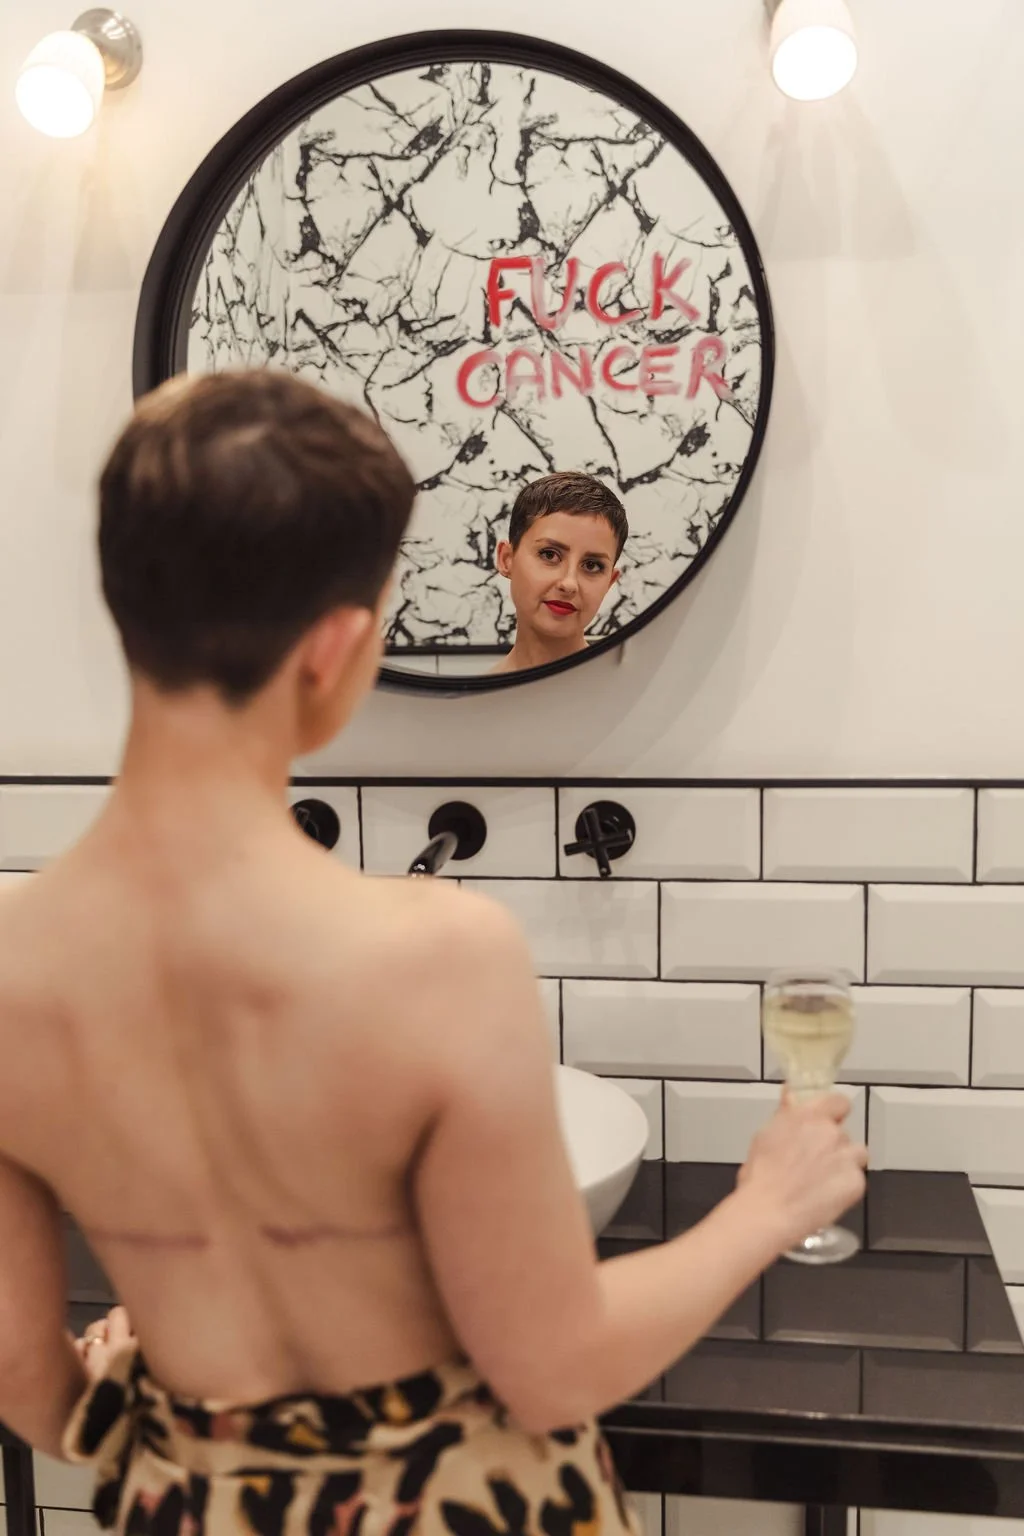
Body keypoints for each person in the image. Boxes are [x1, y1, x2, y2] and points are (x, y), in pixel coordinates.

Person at [0, 370, 867, 1536]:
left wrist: (191, 1438)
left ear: (123, 605)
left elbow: (28, 1387)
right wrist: (767, 1203)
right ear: (339, 648)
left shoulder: (16, 966)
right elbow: (551, 1365)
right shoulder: (438, 957)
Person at [492, 472, 628, 674]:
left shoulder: (630, 698)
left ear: (609, 582)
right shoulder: (474, 701)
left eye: (592, 565)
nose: (569, 583)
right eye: (549, 554)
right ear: (506, 559)